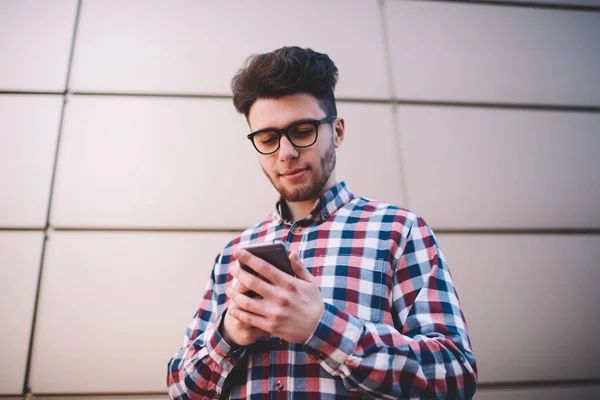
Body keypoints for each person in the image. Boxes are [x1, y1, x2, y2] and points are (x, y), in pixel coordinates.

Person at [167, 46, 477, 399]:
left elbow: (456, 377)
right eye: (268, 139)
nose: (285, 152)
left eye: (302, 130)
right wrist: (229, 335)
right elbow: (180, 390)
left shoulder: (398, 231)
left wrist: (321, 327)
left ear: (338, 131)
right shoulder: (234, 255)